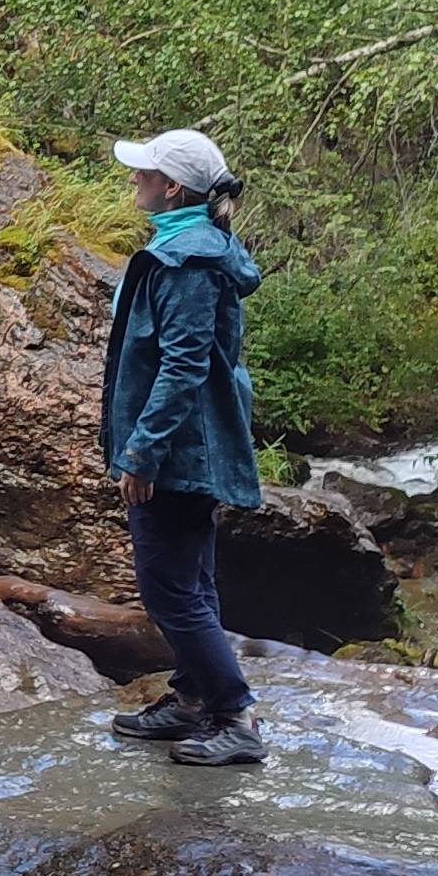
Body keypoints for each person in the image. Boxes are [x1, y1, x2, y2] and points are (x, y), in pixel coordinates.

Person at [98, 127, 265, 764]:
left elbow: (185, 366)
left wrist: (142, 454)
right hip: (186, 446)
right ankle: (194, 698)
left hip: (180, 453)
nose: (133, 180)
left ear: (173, 188)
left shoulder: (190, 259)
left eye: (144, 173)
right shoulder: (183, 245)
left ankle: (235, 717)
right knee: (191, 580)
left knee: (167, 586)